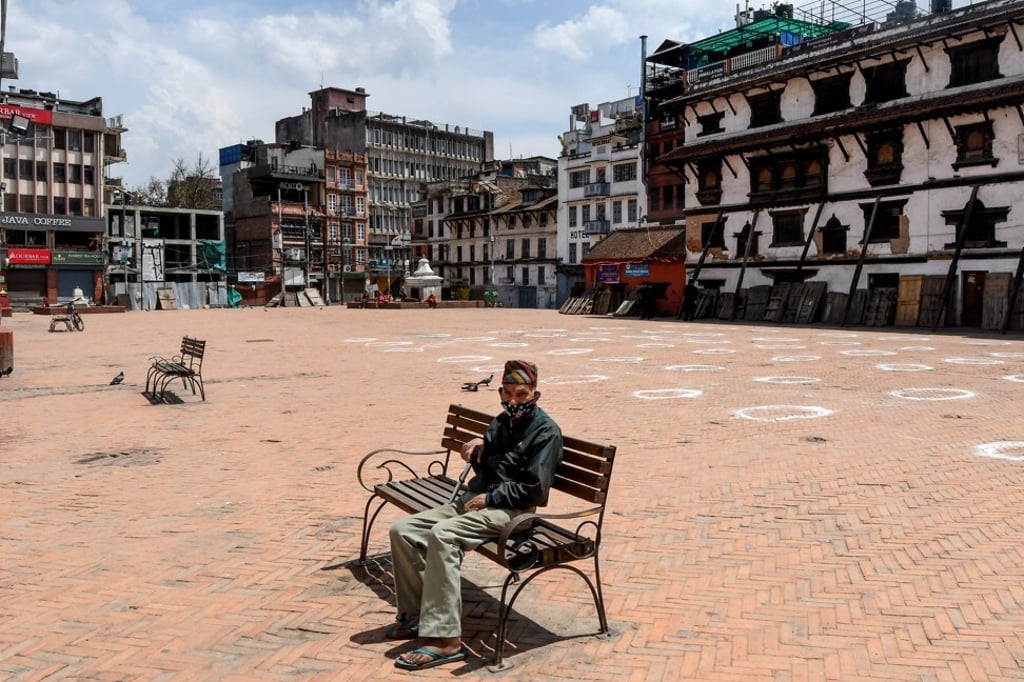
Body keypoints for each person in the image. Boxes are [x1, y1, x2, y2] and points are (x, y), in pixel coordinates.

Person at [387, 360, 563, 670]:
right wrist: (476, 451)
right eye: (507, 393)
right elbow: (493, 464)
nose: (513, 401)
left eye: (521, 394)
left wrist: (493, 496)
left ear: (535, 395)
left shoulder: (546, 432)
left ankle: (446, 640)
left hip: (511, 512)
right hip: (476, 501)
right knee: (403, 530)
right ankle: (416, 618)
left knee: (443, 536)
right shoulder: (500, 423)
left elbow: (535, 489)